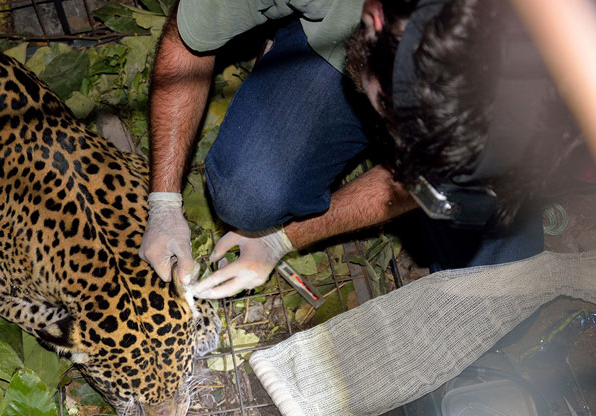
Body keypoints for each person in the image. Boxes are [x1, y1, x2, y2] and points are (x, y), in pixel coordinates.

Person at [139, 0, 572, 299]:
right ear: (377, 20)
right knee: (249, 196)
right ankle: (280, 31)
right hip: (332, 37)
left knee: (501, 288)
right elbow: (186, 42)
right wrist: (163, 201)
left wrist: (283, 239)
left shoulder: (569, 40)